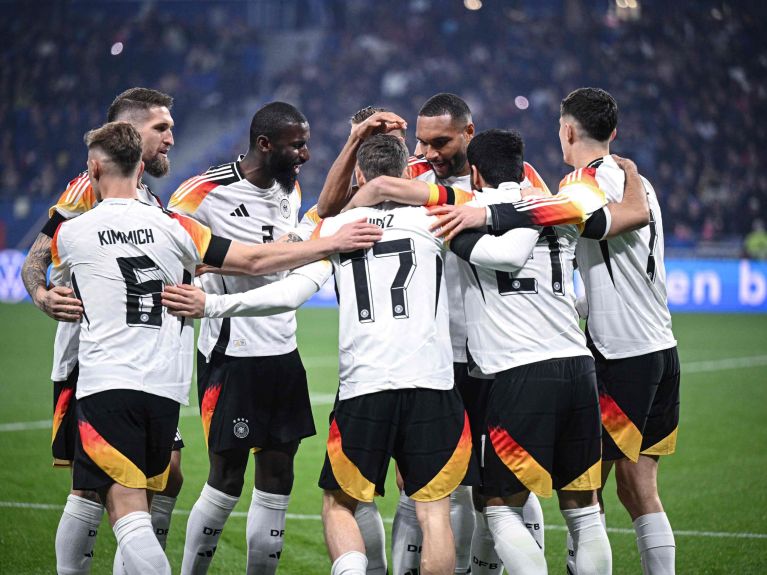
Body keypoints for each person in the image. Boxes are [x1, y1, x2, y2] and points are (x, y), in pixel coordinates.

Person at [51, 121, 381, 575]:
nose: (304, 154)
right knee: (183, 487)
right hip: (206, 365)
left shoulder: (73, 234)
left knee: (118, 497)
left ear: (93, 168)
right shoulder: (183, 214)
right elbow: (248, 259)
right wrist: (323, 246)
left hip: (130, 374)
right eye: (161, 127)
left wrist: (47, 293)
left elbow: (54, 271)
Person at [331, 93, 546, 575]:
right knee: (426, 487)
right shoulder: (414, 178)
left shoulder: (514, 179)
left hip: (496, 353)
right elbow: (337, 211)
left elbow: (535, 245)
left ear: (469, 134)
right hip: (437, 358)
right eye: (422, 142)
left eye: (441, 142)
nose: (428, 152)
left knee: (505, 481)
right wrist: (359, 141)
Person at [169, 101, 351, 575]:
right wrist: (199, 266)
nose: (305, 155)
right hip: (233, 354)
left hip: (282, 351)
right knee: (226, 479)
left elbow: (283, 252)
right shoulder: (204, 191)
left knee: (279, 477)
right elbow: (169, 236)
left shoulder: (290, 189)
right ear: (264, 144)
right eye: (296, 145)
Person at [21, 87, 188, 575]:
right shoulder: (87, 188)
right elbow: (37, 257)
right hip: (94, 357)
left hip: (147, 360)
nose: (171, 139)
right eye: (161, 128)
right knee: (91, 483)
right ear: (129, 133)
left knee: (165, 477)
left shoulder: (150, 198)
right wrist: (42, 293)